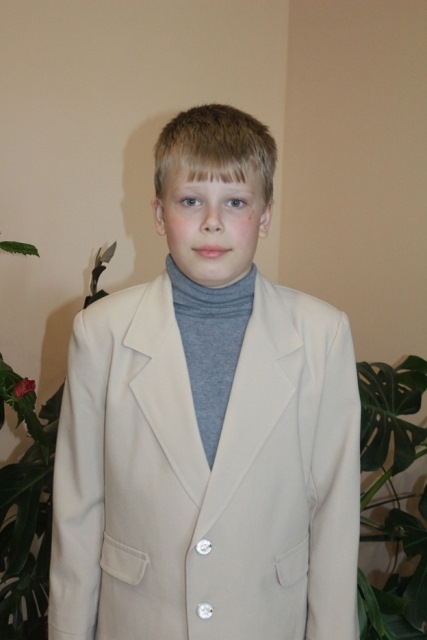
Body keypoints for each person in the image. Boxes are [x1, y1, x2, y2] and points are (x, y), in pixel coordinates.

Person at [48, 104, 360, 640]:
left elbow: (335, 515)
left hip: (266, 621)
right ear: (158, 213)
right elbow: (78, 510)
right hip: (140, 622)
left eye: (235, 202)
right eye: (190, 200)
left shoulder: (322, 334)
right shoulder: (101, 334)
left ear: (265, 216)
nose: (212, 221)